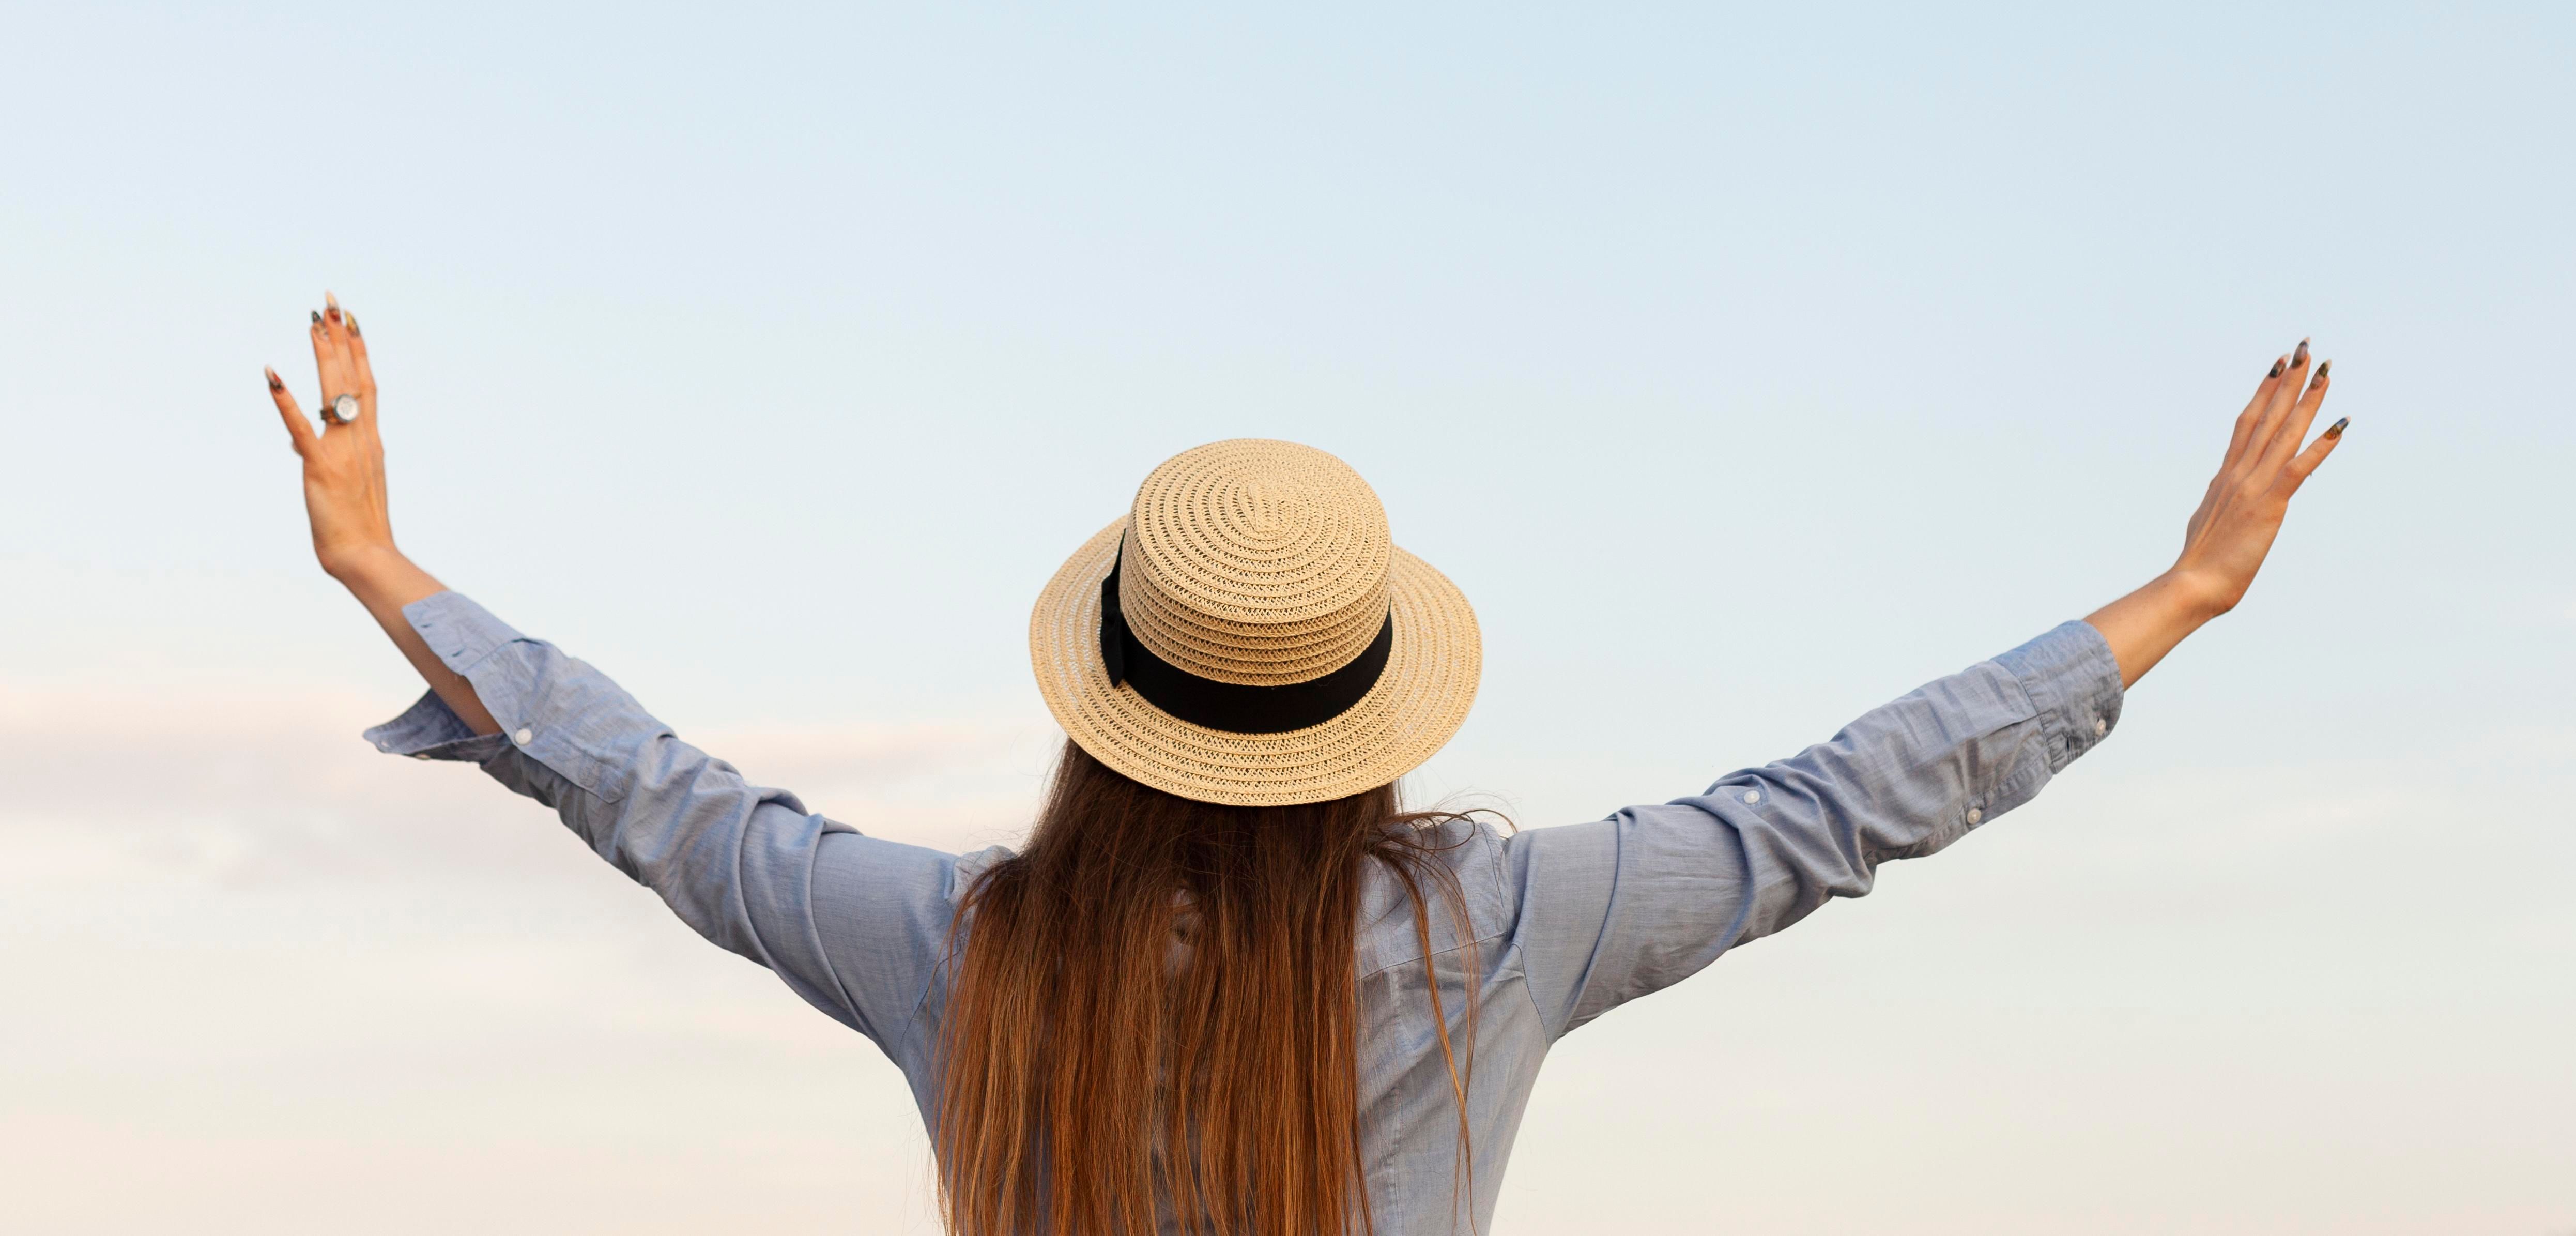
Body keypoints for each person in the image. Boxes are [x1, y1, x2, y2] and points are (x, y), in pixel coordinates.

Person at [265, 294, 2345, 1236]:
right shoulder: (1504, 931)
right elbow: (1835, 808)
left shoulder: (956, 947)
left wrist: (390, 575)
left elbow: (661, 798)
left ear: (1113, 689)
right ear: (1366, 706)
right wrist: (2172, 600)